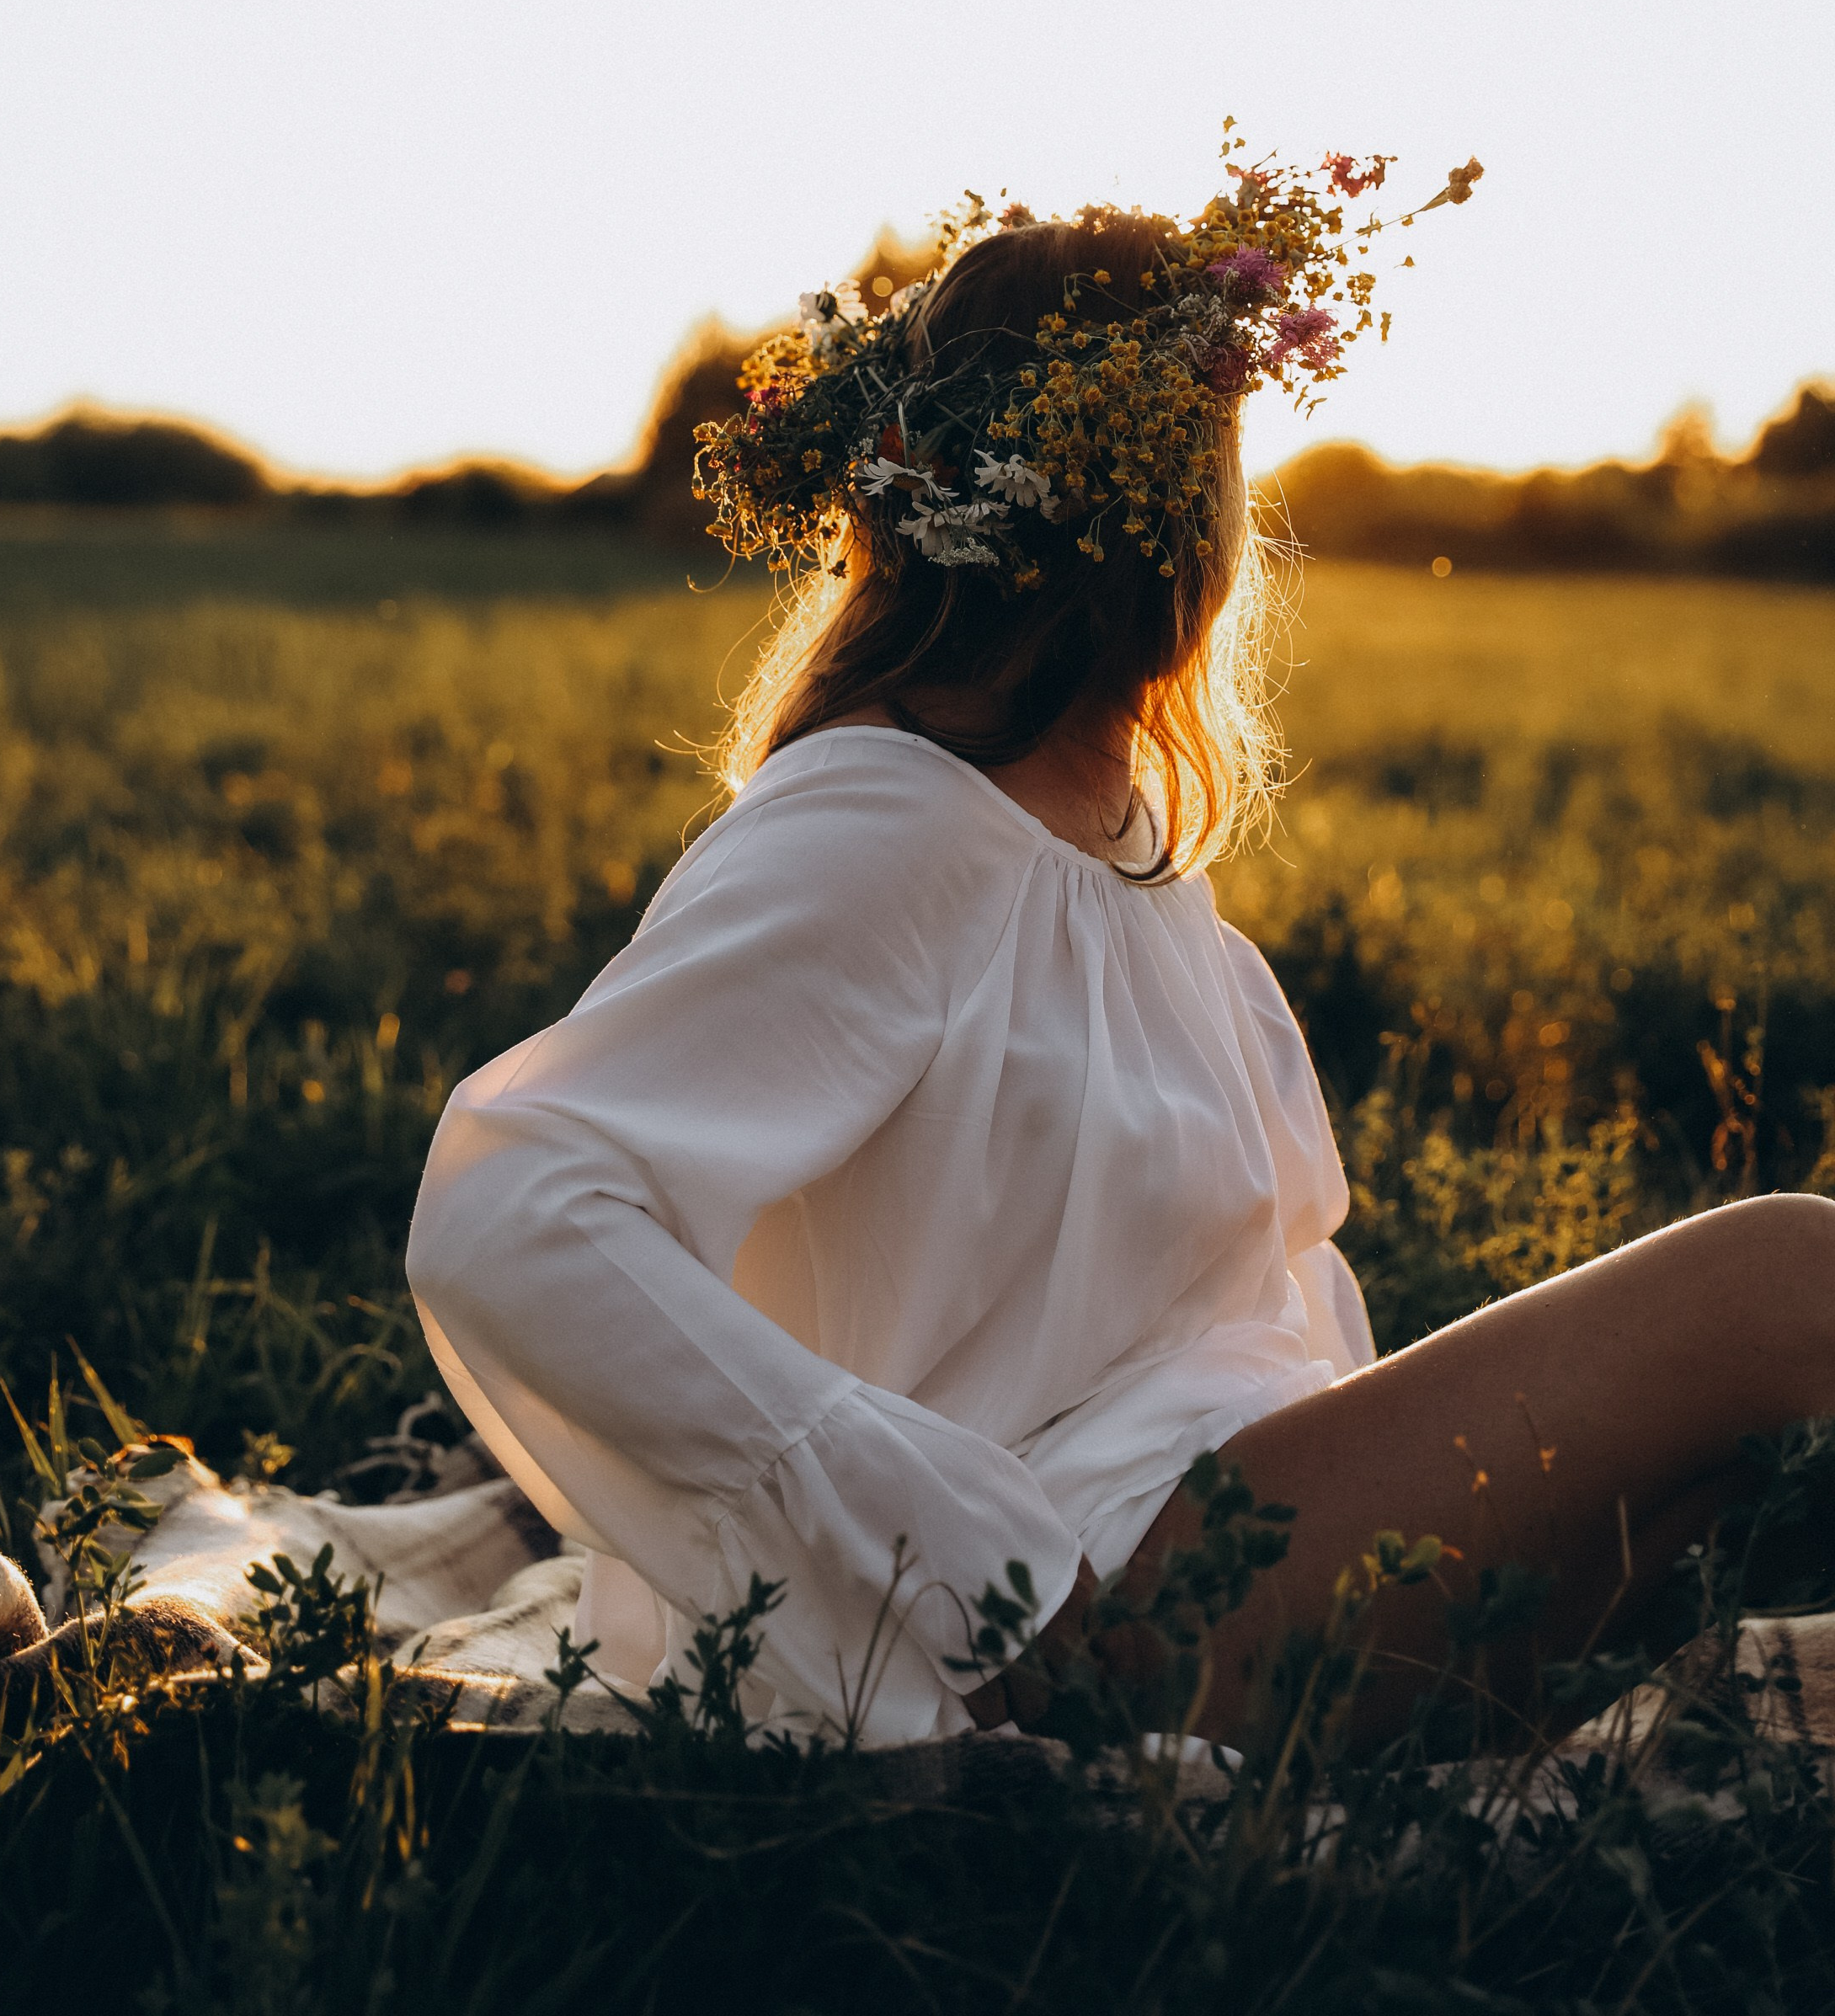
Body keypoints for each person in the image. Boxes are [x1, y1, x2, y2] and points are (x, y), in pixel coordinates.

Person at [407, 154, 1834, 1748]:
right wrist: (943, 1558)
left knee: (1736, 1414)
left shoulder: (1125, 836)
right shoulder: (888, 815)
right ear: (1160, 516)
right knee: (1786, 1277)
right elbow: (514, 1204)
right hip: (1079, 1595)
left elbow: (1250, 1303)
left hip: (1223, 1534)